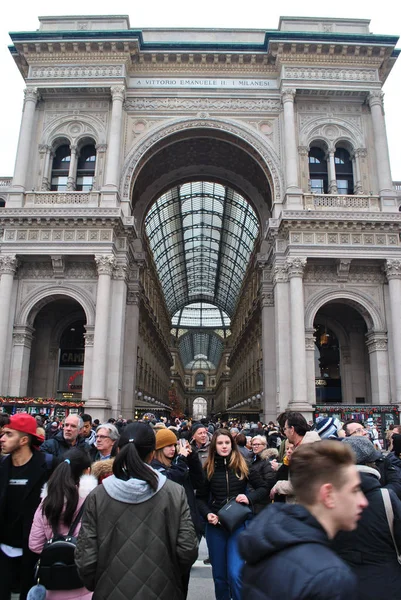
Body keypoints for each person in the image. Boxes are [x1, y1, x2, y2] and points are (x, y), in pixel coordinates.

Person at [75, 422, 198, 599]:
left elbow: (86, 555)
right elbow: (187, 548)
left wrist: (99, 583)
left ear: (119, 450)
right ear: (151, 454)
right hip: (163, 590)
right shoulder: (174, 492)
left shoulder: (98, 494)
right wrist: (171, 577)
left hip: (109, 591)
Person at [239, 441, 368, 600]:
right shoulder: (331, 576)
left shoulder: (267, 544)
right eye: (354, 490)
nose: (363, 501)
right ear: (327, 495)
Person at [196, 429, 268, 600]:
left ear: (232, 444)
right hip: (216, 526)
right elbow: (199, 498)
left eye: (227, 443)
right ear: (214, 446)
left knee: (235, 574)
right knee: (220, 578)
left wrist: (249, 498)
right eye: (220, 443)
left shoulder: (243, 465)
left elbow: (263, 488)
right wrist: (207, 515)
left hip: (238, 525)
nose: (224, 446)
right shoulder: (208, 468)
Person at [333, 435, 401, 599]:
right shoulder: (387, 497)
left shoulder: (328, 499)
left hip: (340, 584)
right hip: (386, 584)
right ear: (372, 464)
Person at [28, 448, 97, 600]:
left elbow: (35, 544)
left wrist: (56, 551)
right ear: (87, 471)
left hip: (53, 584)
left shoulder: (45, 504)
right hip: (85, 584)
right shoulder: (93, 501)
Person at [0, 414, 52, 599]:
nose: (2, 438)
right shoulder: (2, 466)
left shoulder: (48, 466)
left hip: (33, 553)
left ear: (23, 440)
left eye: (8, 434)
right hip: (3, 550)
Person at [151, 428, 204, 597]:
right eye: (168, 445)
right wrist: (181, 459)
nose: (172, 449)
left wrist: (192, 457)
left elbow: (199, 482)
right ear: (159, 448)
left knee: (183, 579)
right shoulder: (154, 468)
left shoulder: (180, 464)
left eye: (174, 445)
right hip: (164, 528)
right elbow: (170, 481)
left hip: (185, 524)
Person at [249, 435, 276, 513]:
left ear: (264, 446)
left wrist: (257, 493)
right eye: (253, 444)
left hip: (261, 501)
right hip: (254, 499)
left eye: (258, 444)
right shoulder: (253, 458)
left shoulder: (266, 460)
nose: (255, 446)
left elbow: (269, 481)